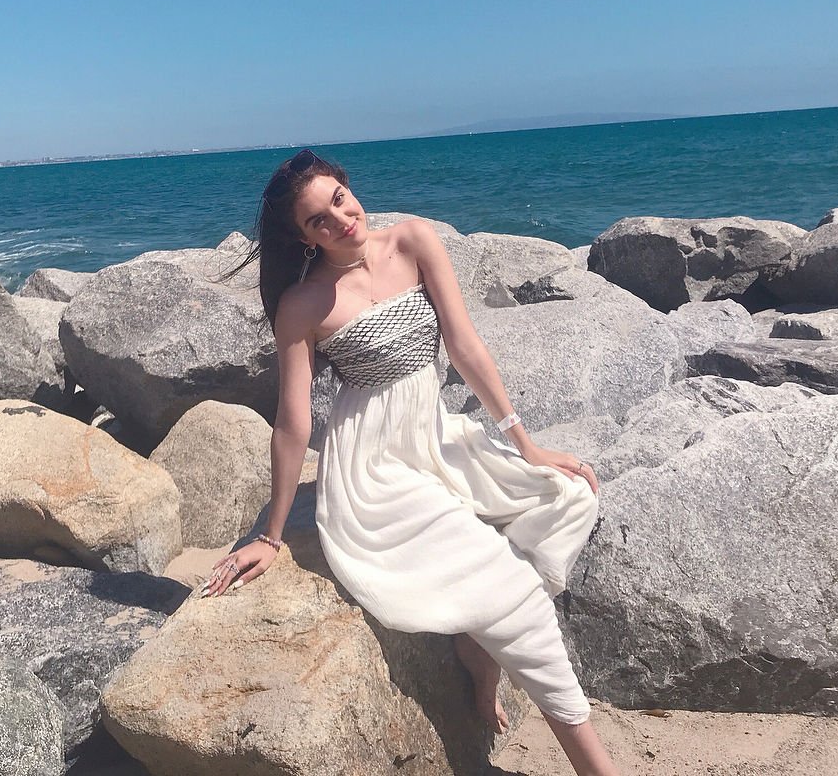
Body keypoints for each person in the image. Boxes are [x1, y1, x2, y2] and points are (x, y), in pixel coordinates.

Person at [204, 149, 621, 776]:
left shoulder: (414, 239)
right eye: (318, 221)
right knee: (513, 590)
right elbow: (293, 424)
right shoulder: (303, 305)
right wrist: (271, 535)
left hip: (433, 436)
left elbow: (465, 346)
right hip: (373, 467)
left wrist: (525, 444)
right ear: (304, 237)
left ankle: (478, 647)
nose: (341, 219)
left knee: (569, 495)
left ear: (348, 188)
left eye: (339, 199)